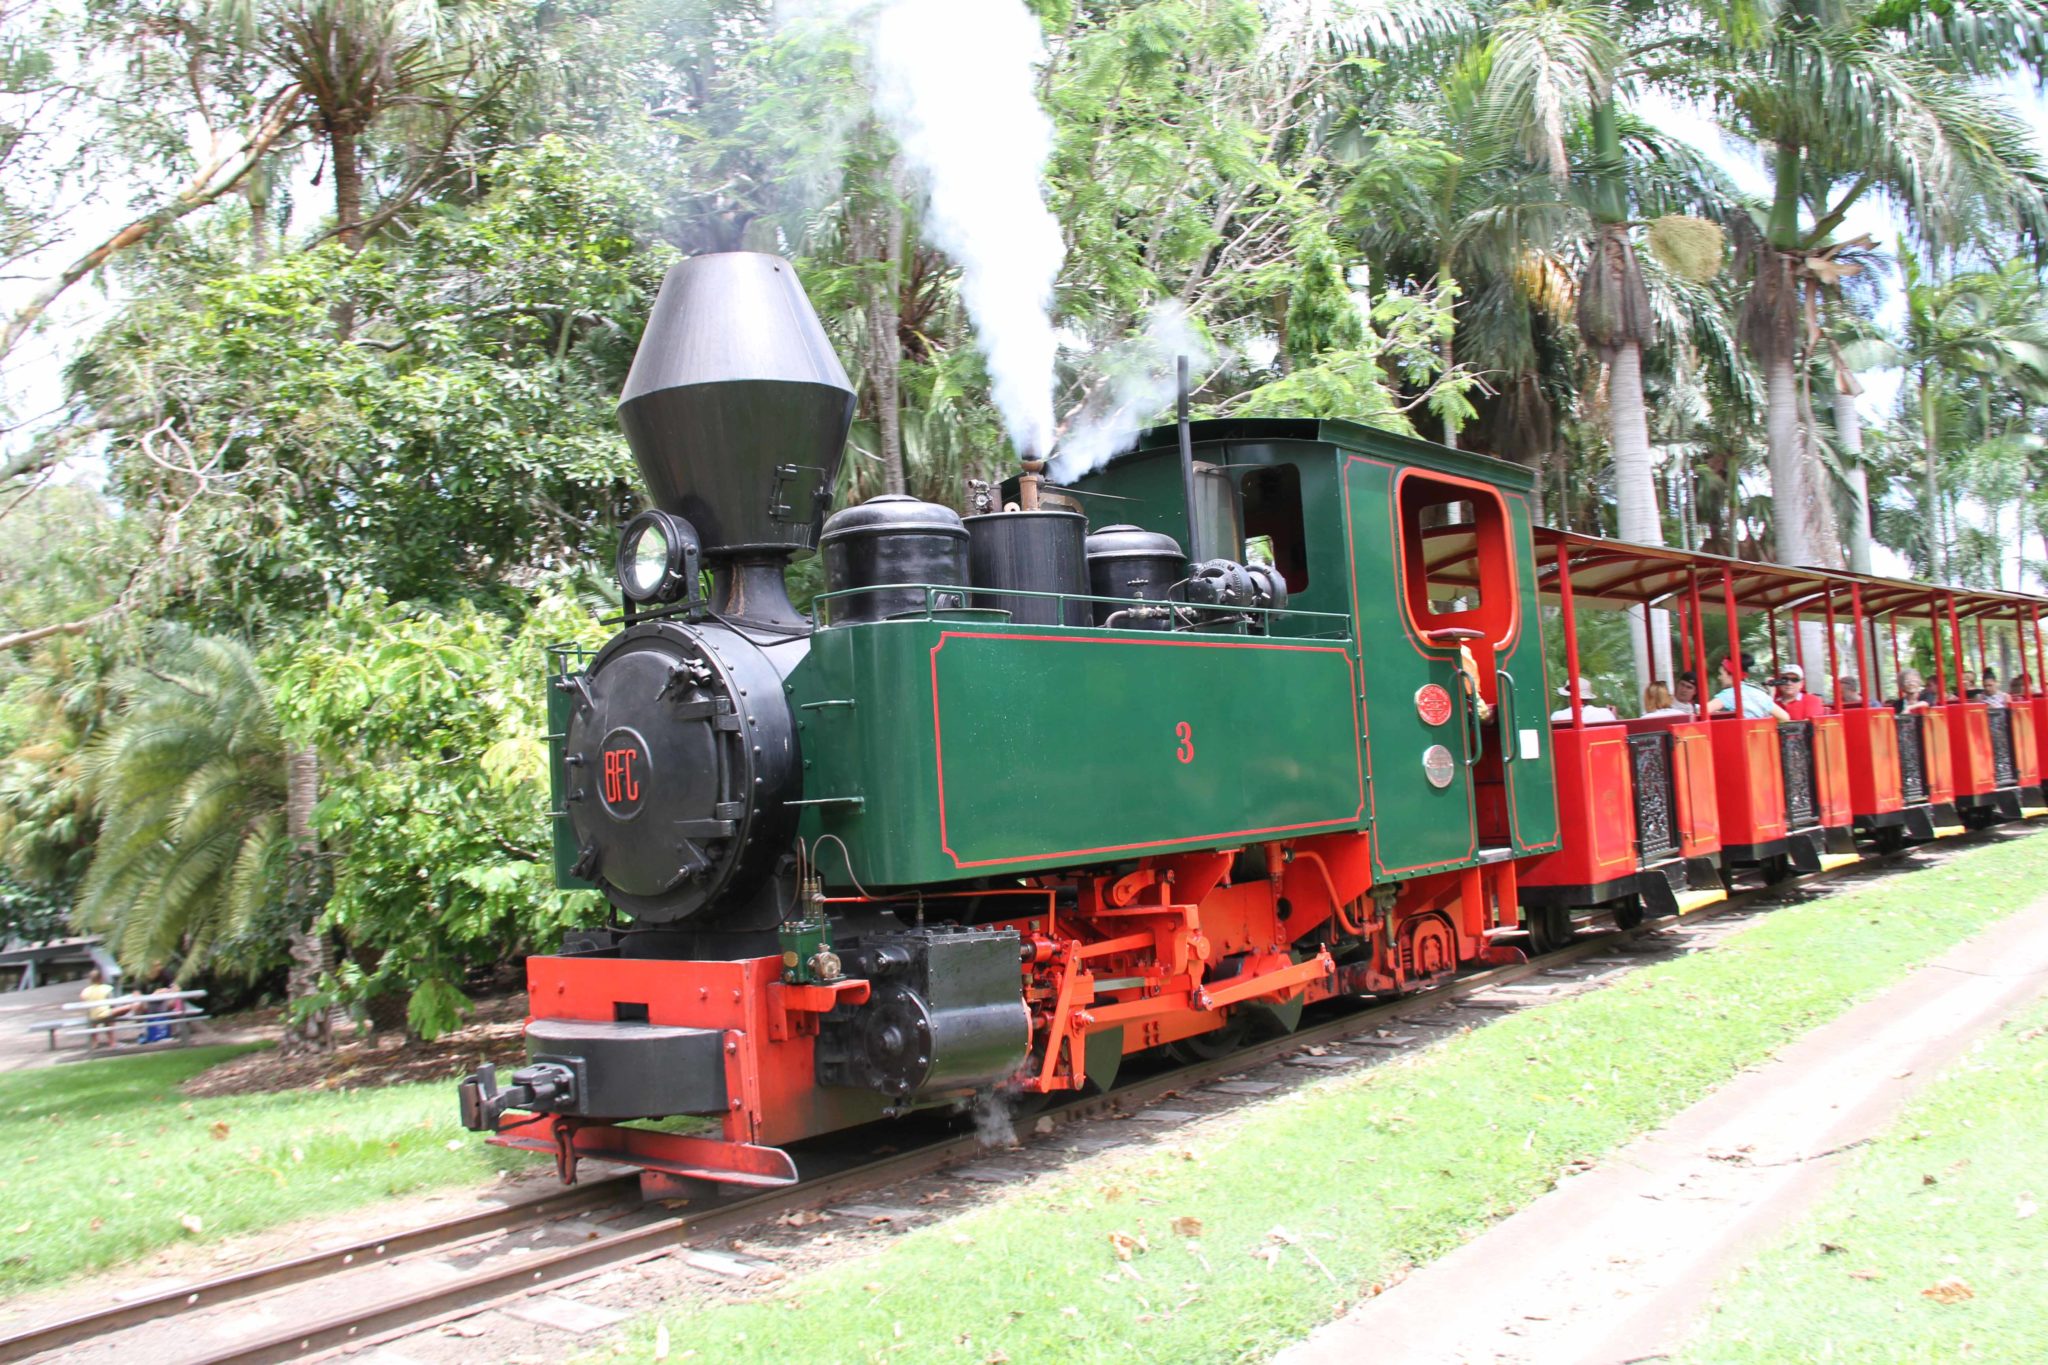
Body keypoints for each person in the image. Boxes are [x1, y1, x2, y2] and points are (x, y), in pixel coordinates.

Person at [1707, 653, 1790, 721]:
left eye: (1721, 674)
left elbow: (1704, 711)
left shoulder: (1729, 694)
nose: (1719, 677)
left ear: (1731, 675)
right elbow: (1785, 717)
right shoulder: (1758, 692)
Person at [1551, 677, 1619, 724]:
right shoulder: (1605, 713)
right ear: (1588, 698)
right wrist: (1613, 716)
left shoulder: (1557, 716)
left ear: (1570, 697)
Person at [79, 970, 118, 1050]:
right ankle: (111, 1041)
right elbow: (112, 1002)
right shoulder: (107, 988)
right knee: (109, 1019)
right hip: (105, 1014)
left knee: (92, 1021)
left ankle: (95, 1041)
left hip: (93, 1015)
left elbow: (83, 1000)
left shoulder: (86, 991)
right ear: (101, 978)